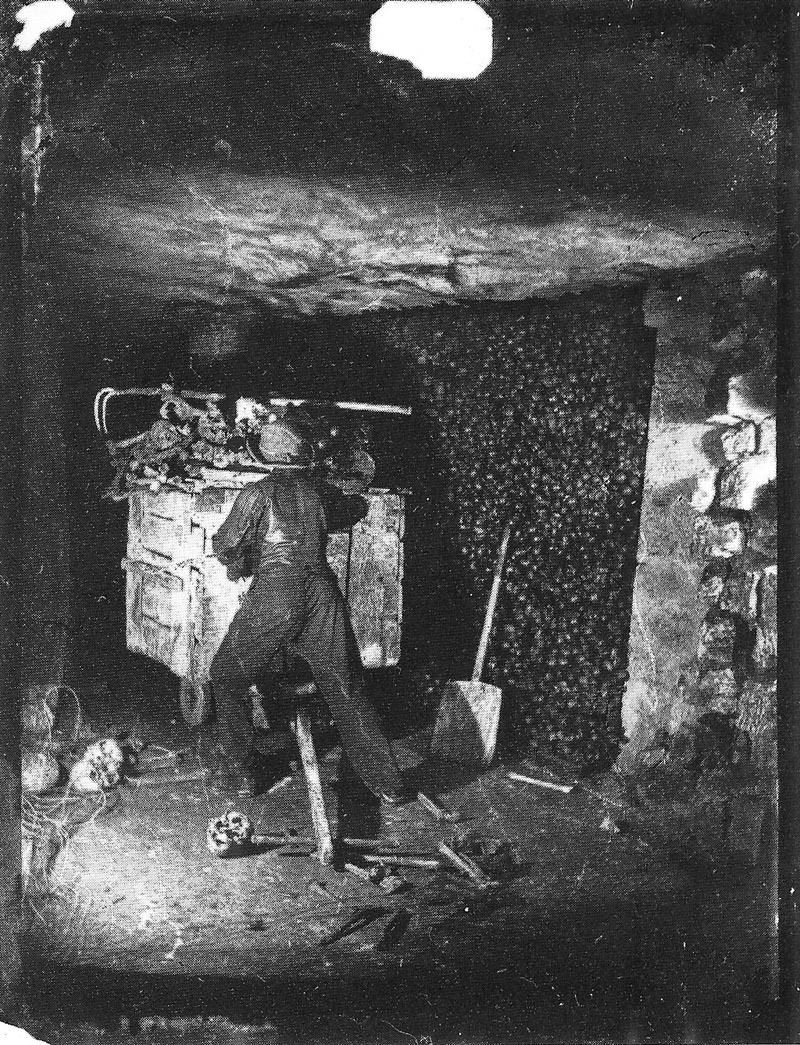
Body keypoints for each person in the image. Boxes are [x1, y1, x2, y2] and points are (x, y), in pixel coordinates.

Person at [208, 413, 407, 803]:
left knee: (226, 676)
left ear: (266, 457)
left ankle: (242, 775)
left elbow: (226, 545)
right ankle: (390, 784)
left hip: (276, 597)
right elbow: (352, 512)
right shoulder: (319, 490)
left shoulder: (257, 493)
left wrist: (244, 556)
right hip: (322, 596)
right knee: (346, 687)